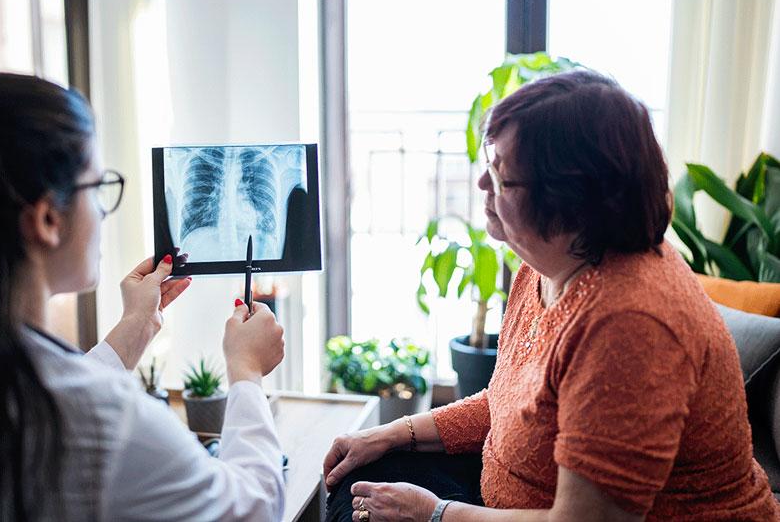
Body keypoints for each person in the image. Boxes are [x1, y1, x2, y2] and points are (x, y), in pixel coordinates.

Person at [323, 71, 780, 521]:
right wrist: (391, 434)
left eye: (503, 179)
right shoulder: (547, 261)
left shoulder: (630, 326)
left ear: (571, 200)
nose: (481, 185)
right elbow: (512, 404)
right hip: (512, 494)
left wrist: (435, 514)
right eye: (488, 162)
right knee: (359, 476)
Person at [0, 70, 286, 520]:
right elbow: (255, 509)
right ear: (48, 220)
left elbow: (49, 384)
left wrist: (134, 330)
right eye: (97, 187)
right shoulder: (105, 422)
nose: (102, 212)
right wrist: (247, 373)